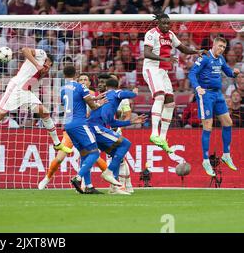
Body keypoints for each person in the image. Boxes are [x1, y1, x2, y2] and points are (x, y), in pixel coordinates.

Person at [0, 48, 72, 155]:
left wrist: (41, 74)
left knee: (45, 113)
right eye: (50, 64)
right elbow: (24, 50)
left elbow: (32, 83)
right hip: (15, 87)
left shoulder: (44, 70)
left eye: (50, 66)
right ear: (47, 60)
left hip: (26, 92)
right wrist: (37, 65)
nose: (49, 67)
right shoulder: (41, 54)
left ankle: (57, 143)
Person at [143, 13, 207, 153]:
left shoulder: (171, 35)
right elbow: (146, 53)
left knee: (170, 103)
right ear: (158, 23)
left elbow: (183, 48)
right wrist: (164, 59)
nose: (166, 25)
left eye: (168, 23)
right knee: (160, 96)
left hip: (163, 72)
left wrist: (197, 51)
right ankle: (154, 133)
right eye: (164, 23)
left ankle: (163, 138)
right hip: (151, 69)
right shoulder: (151, 33)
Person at [38, 73, 109, 193]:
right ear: (77, 80)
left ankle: (88, 185)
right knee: (61, 157)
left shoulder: (91, 95)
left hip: (86, 128)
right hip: (77, 127)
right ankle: (47, 178)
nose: (82, 81)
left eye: (85, 79)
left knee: (89, 156)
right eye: (80, 79)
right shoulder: (78, 92)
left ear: (89, 83)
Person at [60, 65, 121, 194]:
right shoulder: (80, 86)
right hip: (80, 124)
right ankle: (78, 177)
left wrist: (95, 98)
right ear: (76, 75)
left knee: (84, 154)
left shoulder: (63, 89)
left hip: (68, 125)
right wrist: (100, 103)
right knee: (94, 153)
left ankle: (88, 186)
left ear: (64, 75)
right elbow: (92, 107)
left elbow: (73, 102)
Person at [188, 36, 240, 176]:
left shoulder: (221, 59)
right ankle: (205, 160)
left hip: (218, 95)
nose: (221, 49)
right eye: (220, 46)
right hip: (205, 95)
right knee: (208, 126)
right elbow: (192, 73)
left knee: (228, 123)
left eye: (224, 47)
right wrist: (197, 87)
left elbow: (228, 72)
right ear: (214, 45)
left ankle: (226, 155)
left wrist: (234, 73)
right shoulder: (205, 57)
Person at [87, 78, 146, 194]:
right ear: (117, 86)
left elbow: (112, 123)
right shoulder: (113, 93)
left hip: (94, 129)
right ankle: (108, 173)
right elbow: (125, 94)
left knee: (116, 155)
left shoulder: (107, 100)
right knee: (126, 143)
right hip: (96, 128)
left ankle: (114, 188)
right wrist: (134, 92)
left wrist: (132, 122)